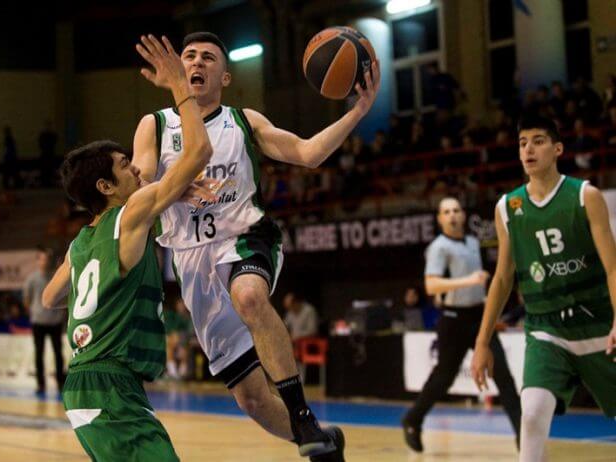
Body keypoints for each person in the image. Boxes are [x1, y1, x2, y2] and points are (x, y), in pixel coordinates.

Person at [132, 31, 379, 460]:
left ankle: (302, 413)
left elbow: (307, 153)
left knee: (249, 296)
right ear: (177, 68)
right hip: (192, 263)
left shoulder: (243, 120)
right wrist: (175, 186)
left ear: (224, 77)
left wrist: (358, 111)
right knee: (253, 402)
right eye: (189, 56)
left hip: (245, 238)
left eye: (209, 58)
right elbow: (139, 182)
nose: (197, 62)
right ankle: (322, 441)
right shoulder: (154, 125)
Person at [41, 34, 214, 461]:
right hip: (110, 384)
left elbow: (50, 297)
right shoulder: (130, 213)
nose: (135, 168)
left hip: (85, 382)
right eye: (124, 166)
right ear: (105, 187)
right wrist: (179, 86)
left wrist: (99, 298)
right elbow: (200, 151)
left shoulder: (82, 241)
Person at [471, 115, 616, 462]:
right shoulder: (508, 207)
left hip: (598, 325)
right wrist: (481, 342)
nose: (528, 149)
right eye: (522, 143)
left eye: (538, 141)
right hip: (546, 328)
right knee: (532, 413)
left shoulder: (585, 195)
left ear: (558, 149)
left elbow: (612, 267)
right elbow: (503, 279)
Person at [401, 197, 521, 453]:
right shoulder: (438, 247)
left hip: (479, 317)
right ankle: (413, 418)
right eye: (446, 211)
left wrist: (482, 294)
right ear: (440, 219)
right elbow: (431, 285)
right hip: (453, 320)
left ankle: (524, 436)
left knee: (503, 376)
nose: (452, 215)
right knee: (443, 378)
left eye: (456, 210)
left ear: (463, 215)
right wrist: (469, 281)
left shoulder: (472, 242)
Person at [23, 246, 65, 393]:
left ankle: (61, 382)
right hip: (38, 322)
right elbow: (27, 299)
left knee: (58, 353)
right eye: (42, 259)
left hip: (55, 322)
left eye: (47, 259)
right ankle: (40, 384)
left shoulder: (55, 276)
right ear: (38, 260)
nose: (44, 262)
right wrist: (35, 313)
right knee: (39, 353)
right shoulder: (32, 279)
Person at [164, 296, 195, 379]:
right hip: (176, 342)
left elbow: (191, 334)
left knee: (182, 343)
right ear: (176, 305)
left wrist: (181, 341)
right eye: (180, 304)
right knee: (169, 343)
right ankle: (173, 372)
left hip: (187, 341)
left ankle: (180, 373)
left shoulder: (191, 317)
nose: (181, 306)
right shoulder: (173, 316)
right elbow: (170, 331)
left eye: (183, 304)